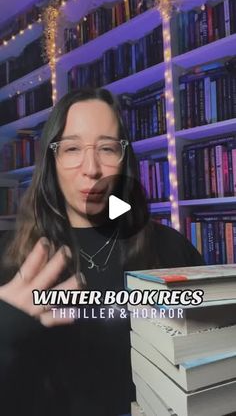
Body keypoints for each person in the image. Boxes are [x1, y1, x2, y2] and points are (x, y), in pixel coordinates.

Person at [0, 88, 204, 416]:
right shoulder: (7, 257)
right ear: (51, 159)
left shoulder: (170, 246)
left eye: (107, 148)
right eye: (72, 148)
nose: (92, 169)